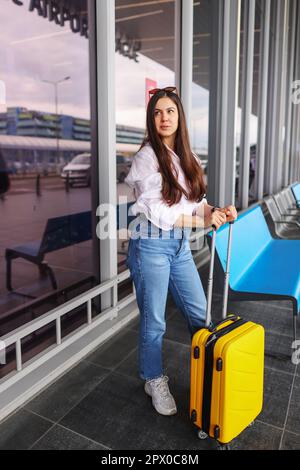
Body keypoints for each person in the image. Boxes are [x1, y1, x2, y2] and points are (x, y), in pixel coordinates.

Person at [125, 86, 237, 417]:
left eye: (170, 111)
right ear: (151, 118)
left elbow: (196, 203)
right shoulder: (147, 157)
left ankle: (212, 374)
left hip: (178, 246)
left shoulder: (187, 156)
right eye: (157, 112)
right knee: (154, 321)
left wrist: (216, 210)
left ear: (179, 116)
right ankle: (153, 379)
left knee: (200, 316)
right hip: (151, 245)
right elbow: (161, 213)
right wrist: (201, 222)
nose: (164, 117)